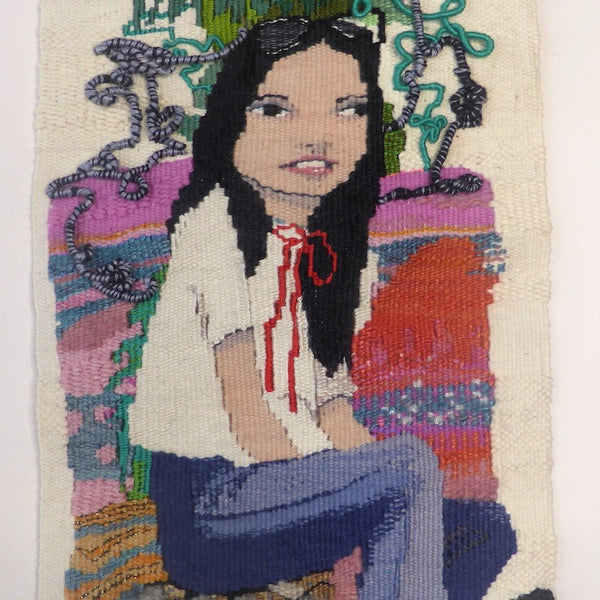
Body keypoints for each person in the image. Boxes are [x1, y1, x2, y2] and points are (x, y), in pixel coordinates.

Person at [128, 16, 447, 600]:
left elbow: (334, 413)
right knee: (407, 468)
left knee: (478, 523)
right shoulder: (215, 226)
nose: (318, 136)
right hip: (217, 503)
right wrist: (362, 480)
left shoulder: (340, 256)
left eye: (349, 110)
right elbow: (246, 410)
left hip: (294, 490)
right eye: (276, 109)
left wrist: (365, 478)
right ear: (230, 123)